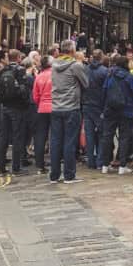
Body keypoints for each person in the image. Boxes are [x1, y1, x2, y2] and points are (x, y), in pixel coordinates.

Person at [49, 40, 88, 184]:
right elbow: (86, 83)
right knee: (70, 142)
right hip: (71, 107)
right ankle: (69, 175)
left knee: (55, 141)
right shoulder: (76, 66)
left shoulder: (54, 64)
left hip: (56, 107)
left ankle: (54, 175)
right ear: (72, 51)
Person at [0, 49, 34, 179]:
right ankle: (16, 167)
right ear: (18, 58)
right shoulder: (20, 70)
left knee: (3, 137)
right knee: (17, 137)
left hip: (4, 107)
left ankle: (1, 167)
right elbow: (24, 89)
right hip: (17, 108)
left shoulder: (2, 70)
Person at [101, 55, 133, 175]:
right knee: (124, 138)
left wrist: (104, 107)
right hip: (126, 110)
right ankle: (122, 165)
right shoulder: (128, 77)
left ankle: (105, 165)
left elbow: (104, 91)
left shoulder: (110, 75)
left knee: (107, 136)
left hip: (110, 109)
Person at [82, 49, 108, 171]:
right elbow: (106, 90)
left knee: (89, 134)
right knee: (102, 134)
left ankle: (90, 160)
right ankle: (100, 161)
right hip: (99, 106)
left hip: (87, 104)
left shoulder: (85, 70)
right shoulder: (104, 71)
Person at [32, 55, 53, 173]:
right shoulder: (55, 75)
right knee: (54, 135)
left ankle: (39, 164)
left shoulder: (39, 77)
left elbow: (35, 96)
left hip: (42, 108)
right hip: (54, 107)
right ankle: (54, 160)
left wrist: (41, 103)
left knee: (40, 136)